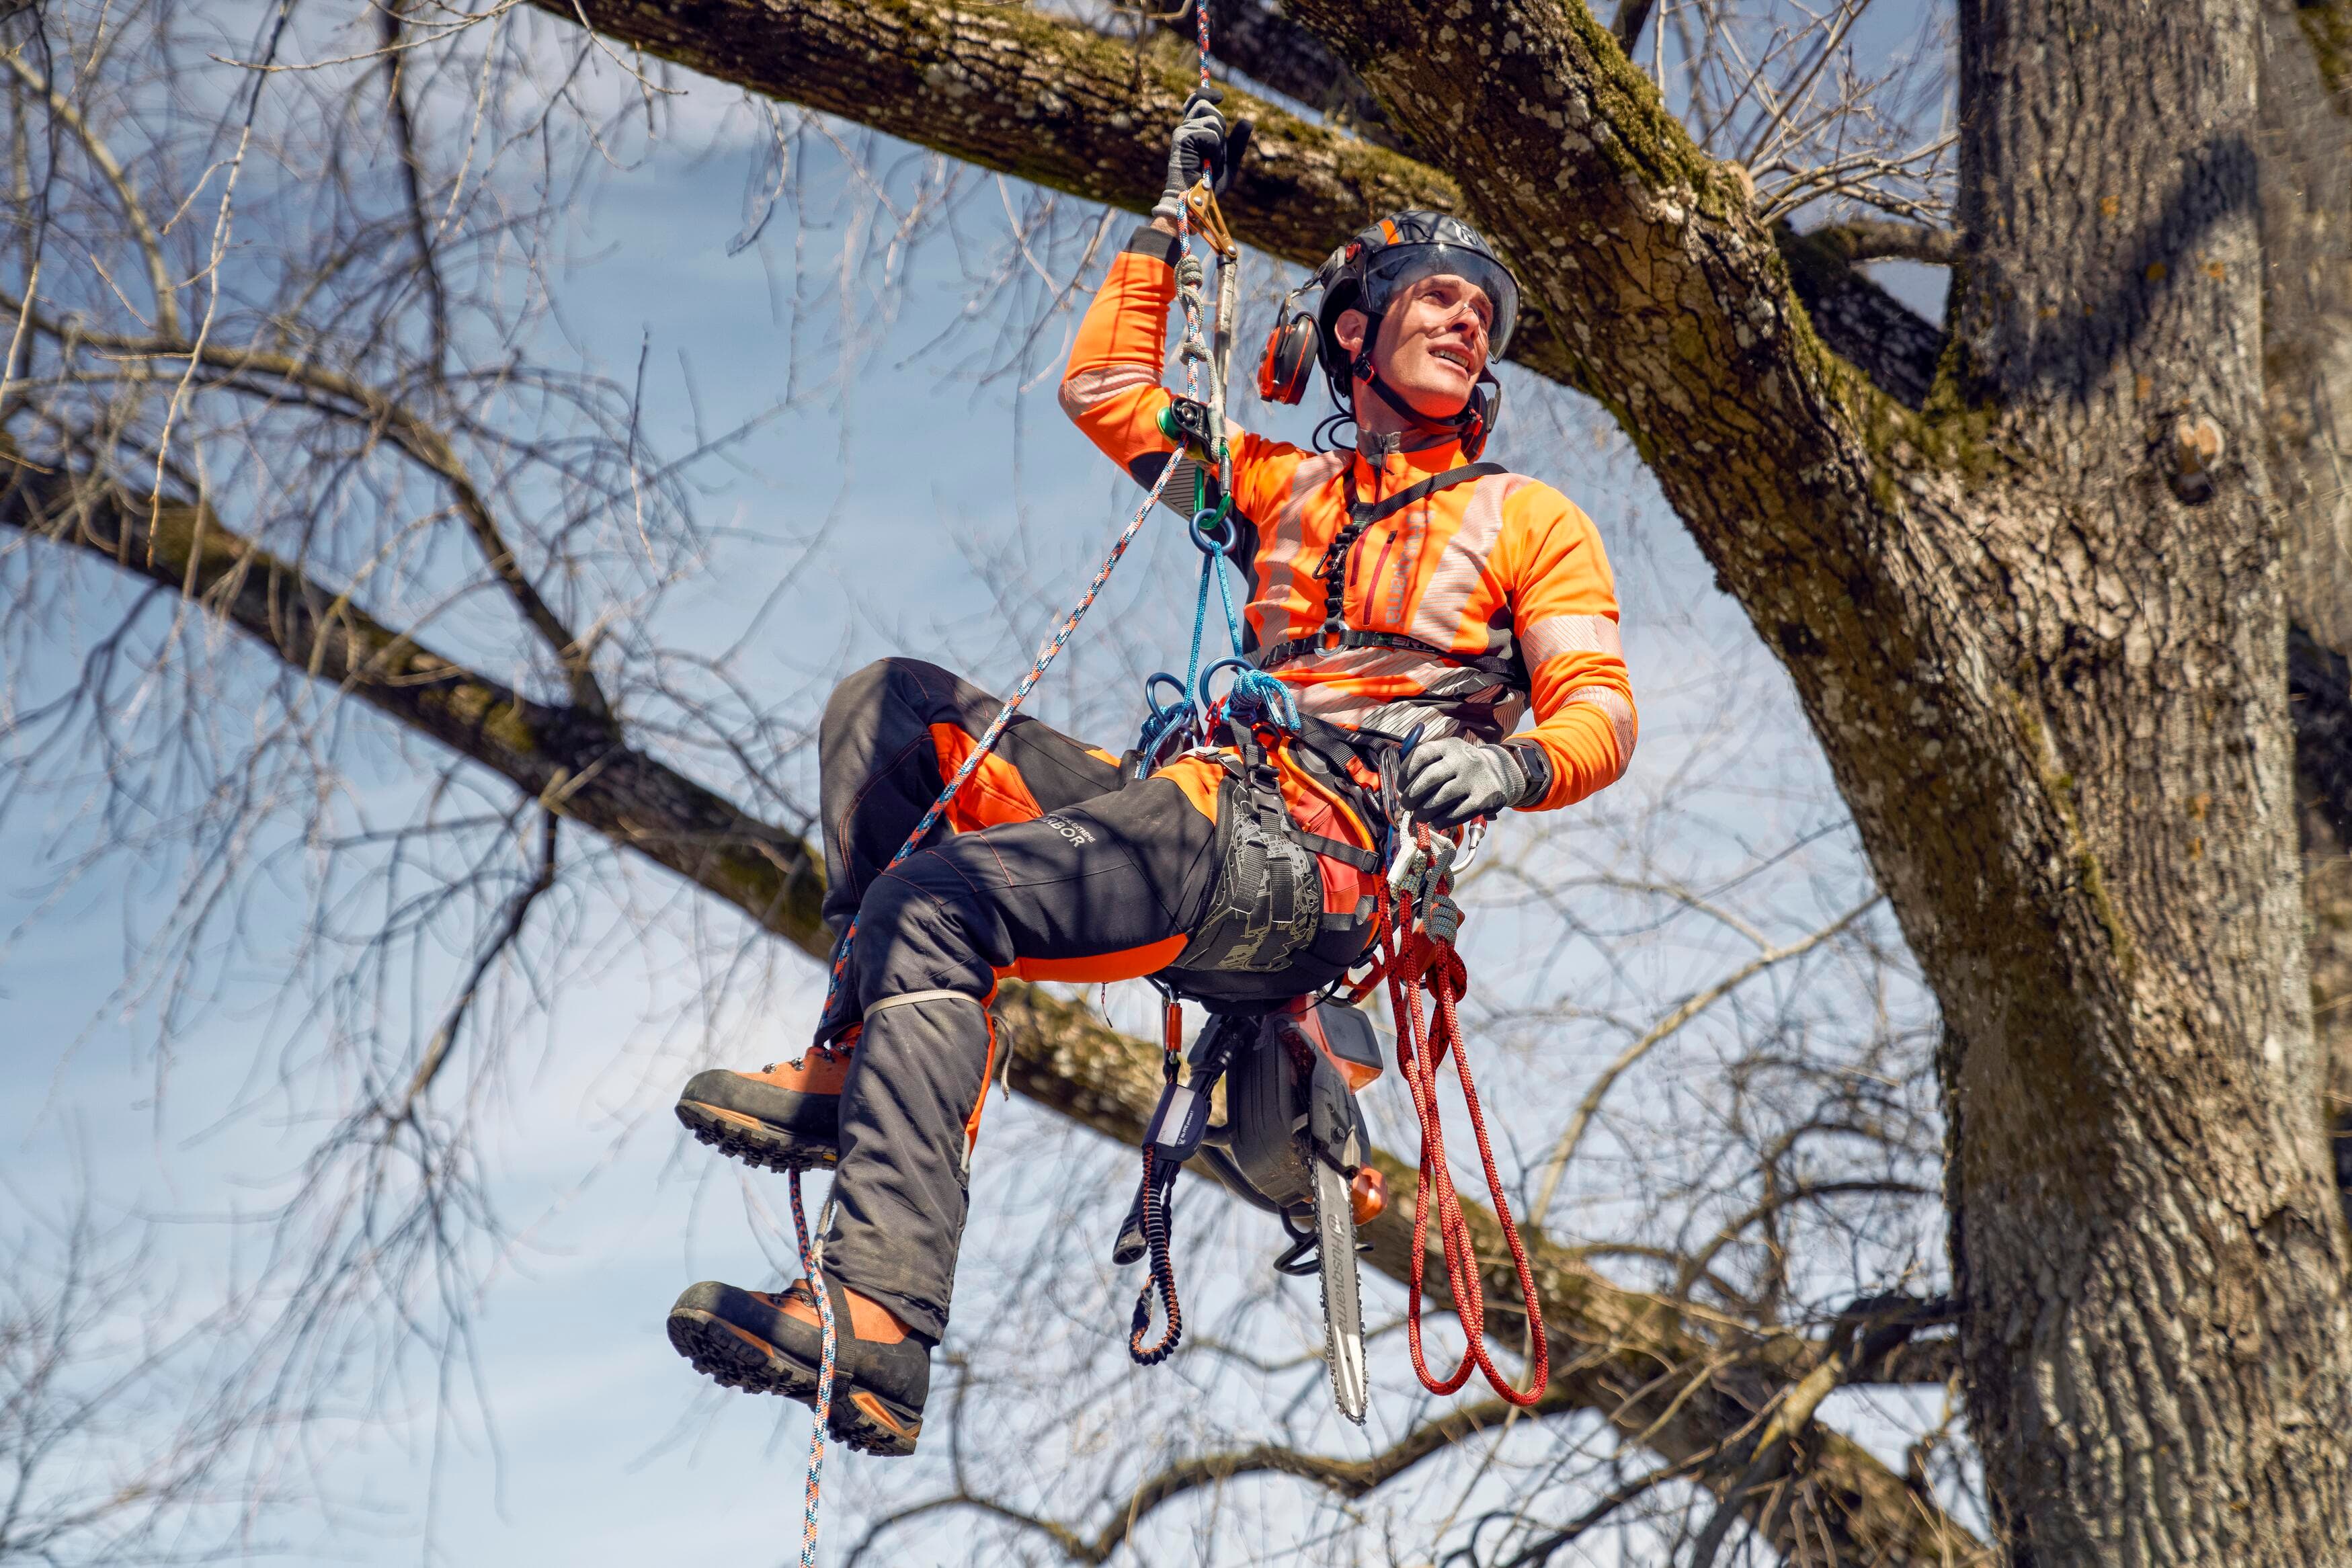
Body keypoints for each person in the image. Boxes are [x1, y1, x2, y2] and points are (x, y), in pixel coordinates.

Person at [663, 89, 1637, 1457]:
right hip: (1198, 806)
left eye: (1485, 315)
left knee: (941, 903)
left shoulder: (1526, 517)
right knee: (898, 717)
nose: (1469, 322)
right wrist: (1171, 224)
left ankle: (878, 1321)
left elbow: (1599, 704)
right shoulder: (1274, 487)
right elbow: (1106, 392)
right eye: (1440, 296)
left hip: (1312, 852)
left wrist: (1520, 762)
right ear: (1353, 330)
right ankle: (856, 1058)